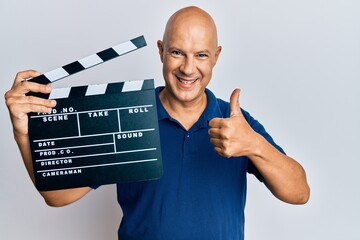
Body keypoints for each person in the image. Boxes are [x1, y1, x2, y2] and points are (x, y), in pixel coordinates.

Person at [5, 6, 310, 240]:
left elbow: (299, 192)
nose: (188, 68)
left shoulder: (236, 125)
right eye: (177, 52)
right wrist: (23, 132)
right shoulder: (124, 116)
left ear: (216, 56)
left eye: (201, 55)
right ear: (161, 50)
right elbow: (57, 196)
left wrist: (256, 146)